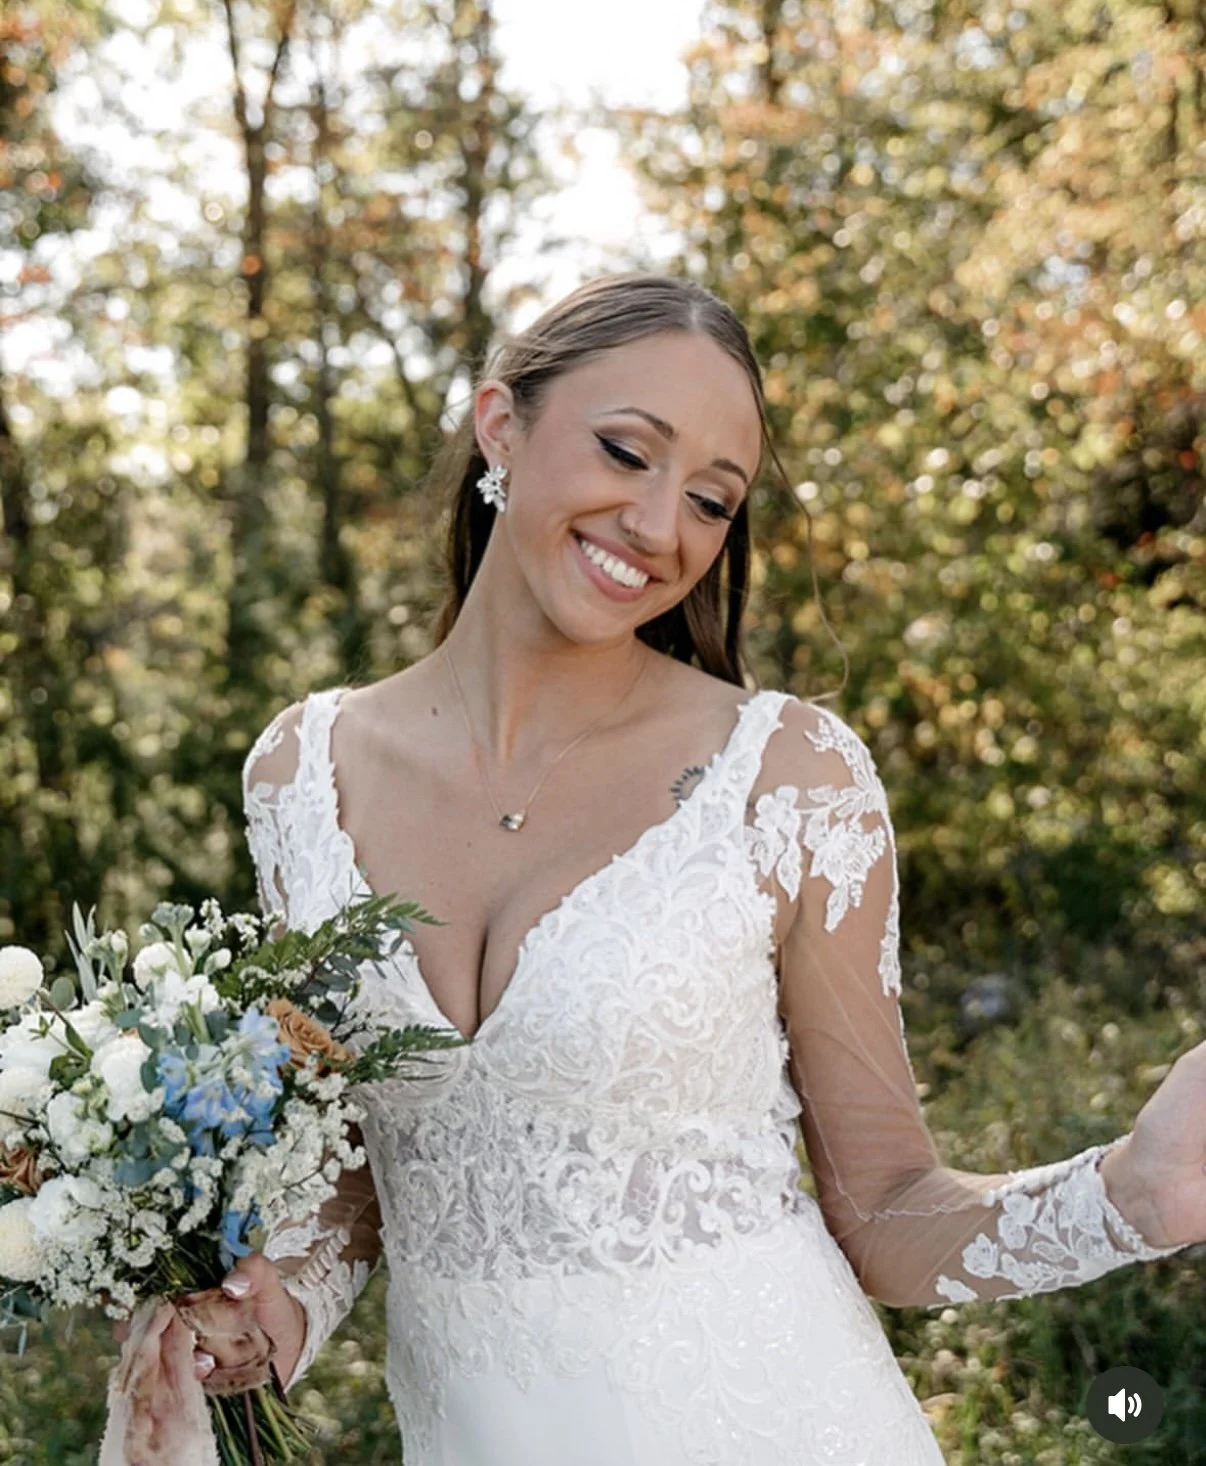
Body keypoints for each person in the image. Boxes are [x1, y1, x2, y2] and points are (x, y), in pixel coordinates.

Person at [186, 273, 1199, 1463]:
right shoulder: (299, 776)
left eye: (713, 502)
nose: (663, 528)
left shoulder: (788, 777)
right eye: (627, 451)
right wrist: (278, 1313)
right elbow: (362, 1176)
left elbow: (885, 1212)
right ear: (500, 424)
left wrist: (1135, 1192)